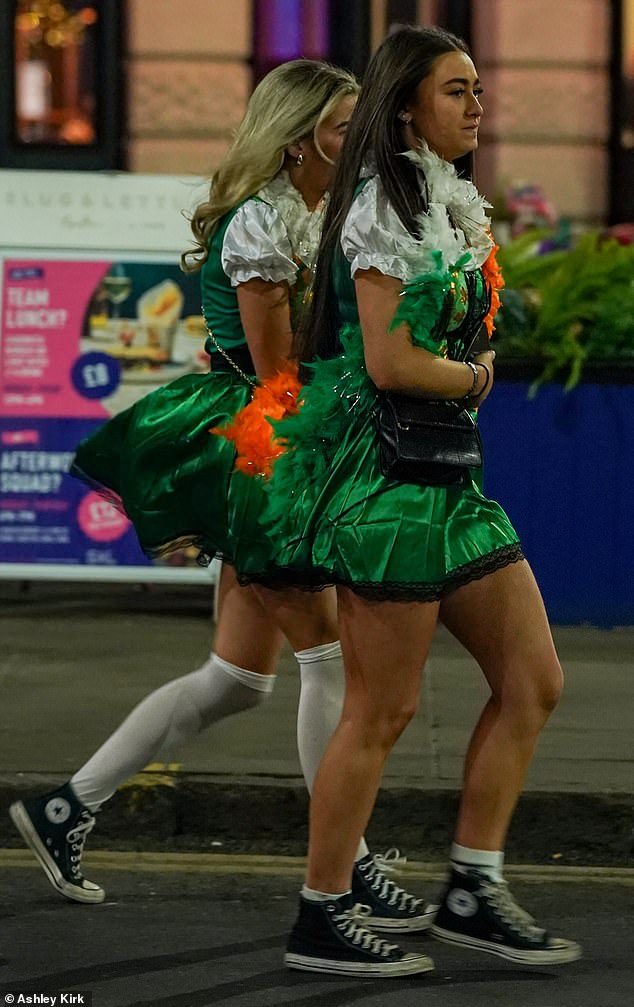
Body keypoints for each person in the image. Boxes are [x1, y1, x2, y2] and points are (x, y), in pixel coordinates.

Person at [9, 59, 433, 944]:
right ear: (299, 135)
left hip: (279, 446)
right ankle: (343, 866)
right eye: (343, 124)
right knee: (329, 662)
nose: (357, 139)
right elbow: (278, 378)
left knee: (238, 678)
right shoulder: (264, 221)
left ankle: (63, 808)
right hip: (260, 448)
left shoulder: (314, 212)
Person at [234, 27, 582, 977]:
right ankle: (321, 910)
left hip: (452, 482)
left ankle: (471, 884)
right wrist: (472, 377)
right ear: (406, 108)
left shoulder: (448, 196)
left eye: (478, 88)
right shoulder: (385, 204)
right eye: (457, 90)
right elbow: (389, 361)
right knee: (379, 710)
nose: (478, 105)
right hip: (389, 484)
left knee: (535, 678)